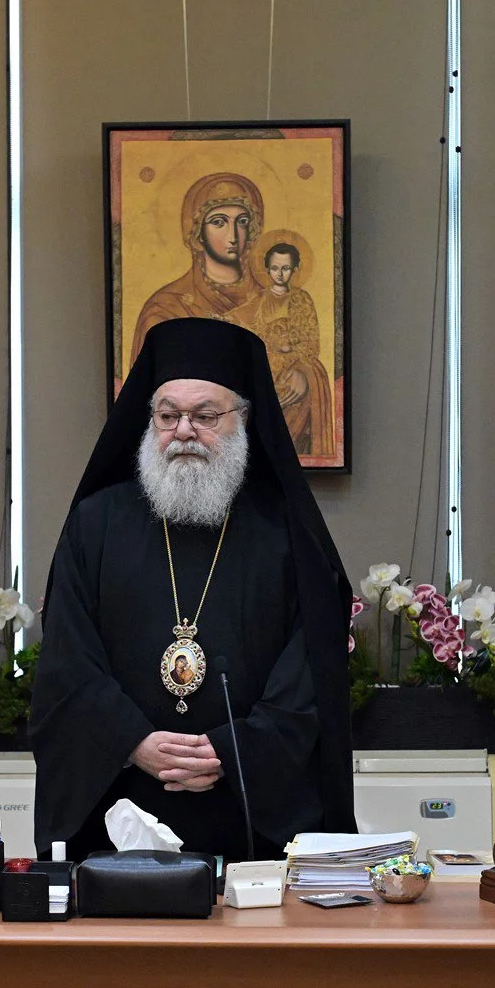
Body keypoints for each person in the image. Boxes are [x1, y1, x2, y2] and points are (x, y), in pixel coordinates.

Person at [32, 317, 355, 862]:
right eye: (167, 415)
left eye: (205, 416)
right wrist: (132, 741)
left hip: (251, 818)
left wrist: (233, 751)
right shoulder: (96, 526)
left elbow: (311, 676)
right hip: (122, 809)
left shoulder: (286, 534)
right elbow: (67, 660)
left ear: (243, 420)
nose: (183, 430)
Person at [127, 172, 267, 369]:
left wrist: (304, 376)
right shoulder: (166, 308)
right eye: (219, 222)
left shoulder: (270, 300)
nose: (233, 236)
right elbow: (149, 387)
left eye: (242, 221)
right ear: (197, 232)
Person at [228, 238, 336, 457]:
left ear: (295, 269)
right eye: (275, 268)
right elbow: (237, 318)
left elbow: (310, 341)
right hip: (267, 369)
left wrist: (298, 365)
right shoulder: (259, 299)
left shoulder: (301, 299)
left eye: (285, 268)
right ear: (267, 269)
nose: (279, 274)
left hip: (295, 367)